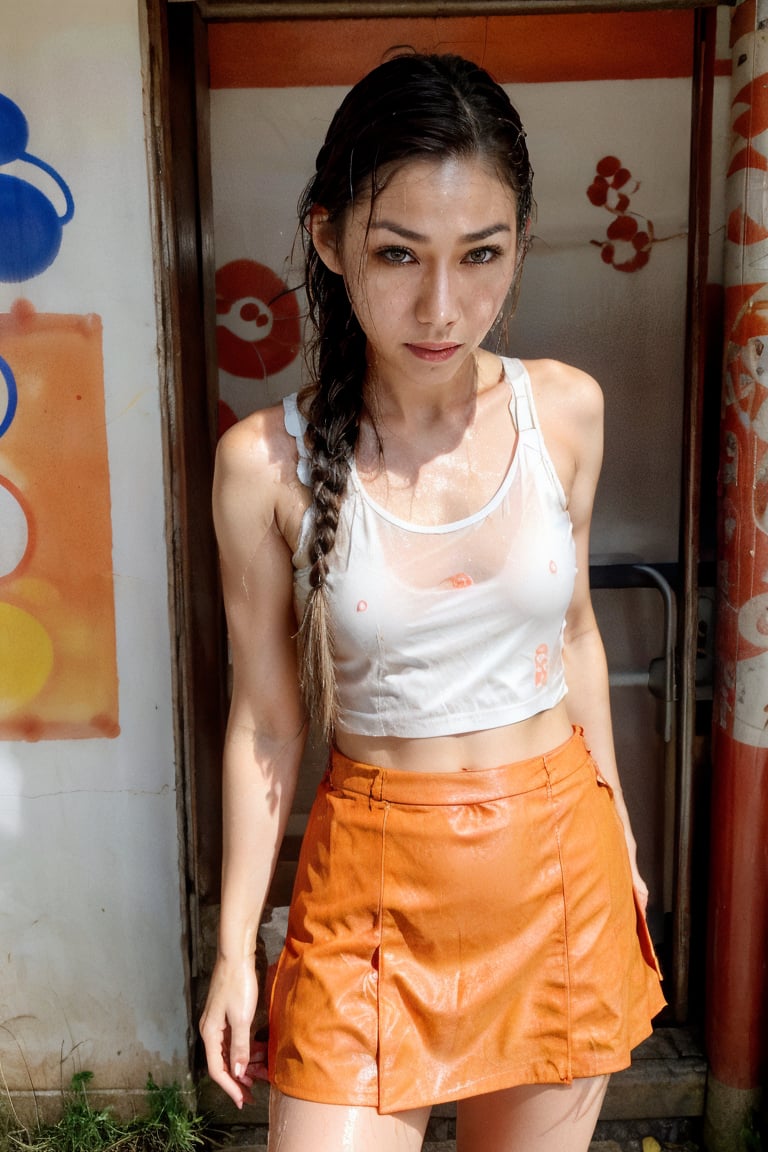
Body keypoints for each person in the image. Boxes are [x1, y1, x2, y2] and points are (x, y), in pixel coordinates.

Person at [199, 51, 665, 1152]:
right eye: (398, 253)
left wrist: (627, 846)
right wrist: (231, 952)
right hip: (370, 896)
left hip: (558, 874)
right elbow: (268, 720)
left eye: (482, 255)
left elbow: (575, 639)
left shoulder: (566, 412)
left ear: (519, 245)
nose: (442, 306)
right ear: (328, 240)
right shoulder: (263, 464)